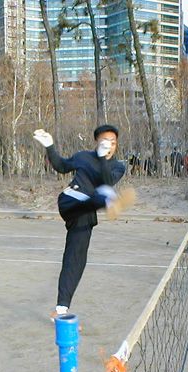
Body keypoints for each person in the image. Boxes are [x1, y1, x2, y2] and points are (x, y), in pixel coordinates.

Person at [33, 125, 135, 319]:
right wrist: (49, 146)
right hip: (70, 201)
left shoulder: (118, 166)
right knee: (105, 194)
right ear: (96, 141)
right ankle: (110, 202)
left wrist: (103, 159)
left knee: (76, 259)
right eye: (105, 141)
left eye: (113, 143)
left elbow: (106, 180)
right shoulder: (83, 156)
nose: (109, 146)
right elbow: (62, 166)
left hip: (85, 213)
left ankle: (61, 309)